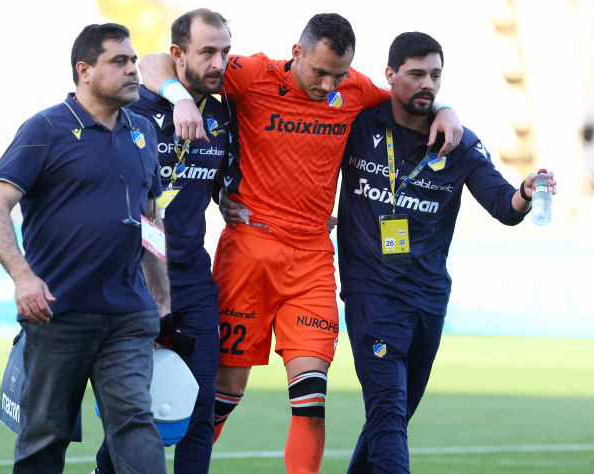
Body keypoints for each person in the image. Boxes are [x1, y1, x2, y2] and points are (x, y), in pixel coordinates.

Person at [139, 14, 462, 473]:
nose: (328, 85)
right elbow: (155, 62)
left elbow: (408, 98)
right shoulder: (251, 74)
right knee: (223, 394)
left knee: (311, 398)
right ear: (297, 53)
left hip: (311, 260)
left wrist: (446, 110)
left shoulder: (354, 89)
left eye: (338, 75)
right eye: (320, 72)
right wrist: (179, 98)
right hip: (249, 252)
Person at [336, 32, 558, 473]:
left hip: (428, 302)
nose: (428, 84)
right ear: (390, 75)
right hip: (372, 295)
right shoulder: (358, 125)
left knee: (392, 417)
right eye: (416, 74)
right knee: (387, 415)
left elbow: (504, 207)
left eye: (435, 76)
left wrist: (525, 191)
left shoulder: (460, 143)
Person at [0, 23, 169, 473]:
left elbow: (151, 221)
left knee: (136, 424)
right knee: (46, 434)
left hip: (129, 313)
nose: (133, 70)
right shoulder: (44, 128)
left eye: (133, 61)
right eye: (119, 62)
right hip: (57, 311)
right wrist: (24, 278)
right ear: (84, 70)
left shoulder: (143, 130)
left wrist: (162, 300)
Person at [93, 9, 231, 474]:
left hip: (193, 279)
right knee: (135, 411)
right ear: (178, 54)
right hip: (134, 281)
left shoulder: (223, 114)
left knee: (201, 406)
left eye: (225, 52)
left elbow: (219, 183)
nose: (219, 63)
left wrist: (231, 199)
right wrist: (178, 98)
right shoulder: (134, 109)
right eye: (207, 52)